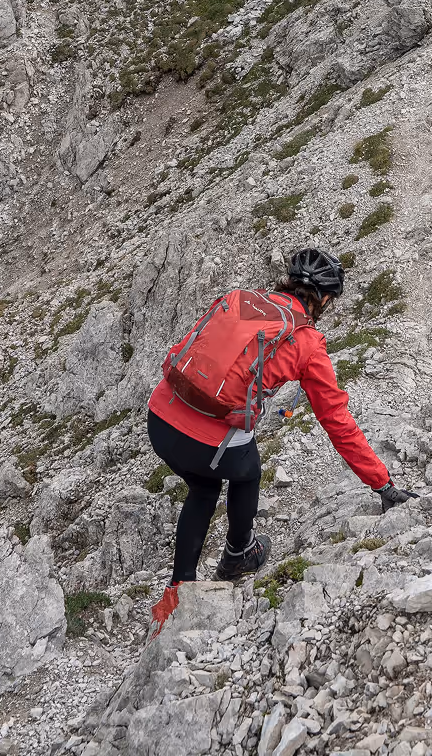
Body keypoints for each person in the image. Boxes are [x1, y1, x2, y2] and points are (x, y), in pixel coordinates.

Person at [147, 247, 416, 597]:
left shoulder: (238, 298)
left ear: (287, 281)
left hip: (160, 417)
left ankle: (178, 586)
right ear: (326, 301)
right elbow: (336, 420)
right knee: (248, 468)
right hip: (207, 446)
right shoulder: (307, 342)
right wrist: (382, 483)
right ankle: (239, 552)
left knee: (204, 487)